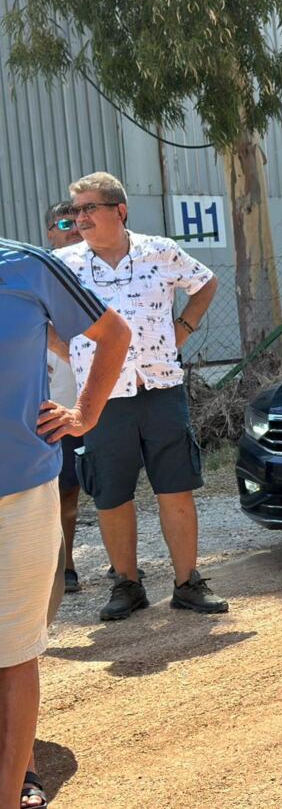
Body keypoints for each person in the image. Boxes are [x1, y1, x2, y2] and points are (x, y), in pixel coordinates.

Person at [55, 172, 227, 621]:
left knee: (176, 487)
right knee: (111, 493)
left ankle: (188, 583)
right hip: (101, 399)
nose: (80, 218)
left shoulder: (160, 251)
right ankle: (127, 585)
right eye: (75, 211)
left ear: (120, 210)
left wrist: (183, 328)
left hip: (161, 388)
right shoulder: (64, 264)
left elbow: (206, 282)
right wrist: (72, 352)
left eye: (89, 208)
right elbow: (42, 317)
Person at [0, 237, 130, 809]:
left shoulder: (26, 266)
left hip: (20, 492)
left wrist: (85, 414)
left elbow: (114, 334)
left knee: (13, 650)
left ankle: (12, 789)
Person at [43, 201, 86, 594]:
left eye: (78, 222)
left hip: (105, 400)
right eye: (63, 223)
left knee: (112, 486)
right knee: (64, 489)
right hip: (60, 402)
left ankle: (123, 568)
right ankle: (65, 566)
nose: (73, 228)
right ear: (49, 234)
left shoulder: (98, 271)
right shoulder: (38, 277)